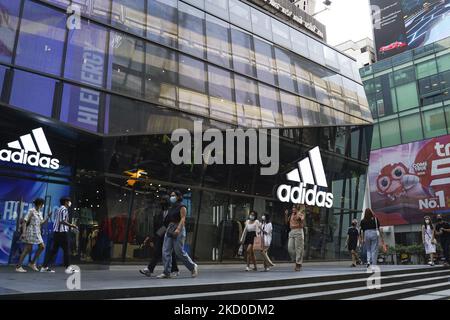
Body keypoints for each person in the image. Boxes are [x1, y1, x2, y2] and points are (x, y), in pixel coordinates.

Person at [157, 191, 198, 279]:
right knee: (166, 251)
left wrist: (178, 229)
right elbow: (167, 221)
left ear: (178, 196)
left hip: (178, 227)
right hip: (170, 228)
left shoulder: (182, 207)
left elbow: (183, 219)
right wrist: (161, 232)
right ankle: (166, 272)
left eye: (173, 195)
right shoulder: (171, 207)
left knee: (179, 251)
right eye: (171, 195)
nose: (171, 197)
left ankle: (192, 267)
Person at [139, 195, 179, 277]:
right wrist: (155, 237)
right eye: (161, 200)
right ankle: (149, 269)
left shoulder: (172, 211)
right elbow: (157, 225)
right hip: (160, 235)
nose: (162, 202)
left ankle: (175, 270)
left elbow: (172, 223)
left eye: (164, 200)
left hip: (169, 235)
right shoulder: (160, 213)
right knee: (157, 252)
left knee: (170, 253)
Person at [41, 197, 78, 274]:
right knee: (66, 250)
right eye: (69, 201)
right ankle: (68, 268)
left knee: (54, 250)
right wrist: (72, 225)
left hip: (57, 232)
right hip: (62, 232)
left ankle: (44, 267)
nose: (69, 203)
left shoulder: (59, 209)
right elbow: (62, 221)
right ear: (65, 202)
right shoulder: (64, 209)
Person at [15, 198, 48, 272]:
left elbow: (41, 222)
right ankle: (18, 266)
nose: (43, 205)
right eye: (42, 204)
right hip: (30, 232)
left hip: (37, 232)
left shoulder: (39, 212)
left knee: (42, 246)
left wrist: (47, 217)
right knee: (27, 249)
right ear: (40, 204)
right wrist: (23, 233)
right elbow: (24, 221)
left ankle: (32, 263)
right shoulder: (31, 211)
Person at [285, 205, 305, 271]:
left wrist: (300, 215)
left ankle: (298, 264)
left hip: (298, 230)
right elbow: (286, 222)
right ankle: (297, 260)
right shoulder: (291, 215)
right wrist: (286, 215)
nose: (293, 209)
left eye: (294, 208)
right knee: (290, 248)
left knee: (298, 248)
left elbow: (302, 219)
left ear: (297, 209)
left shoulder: (300, 214)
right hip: (292, 231)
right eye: (293, 208)